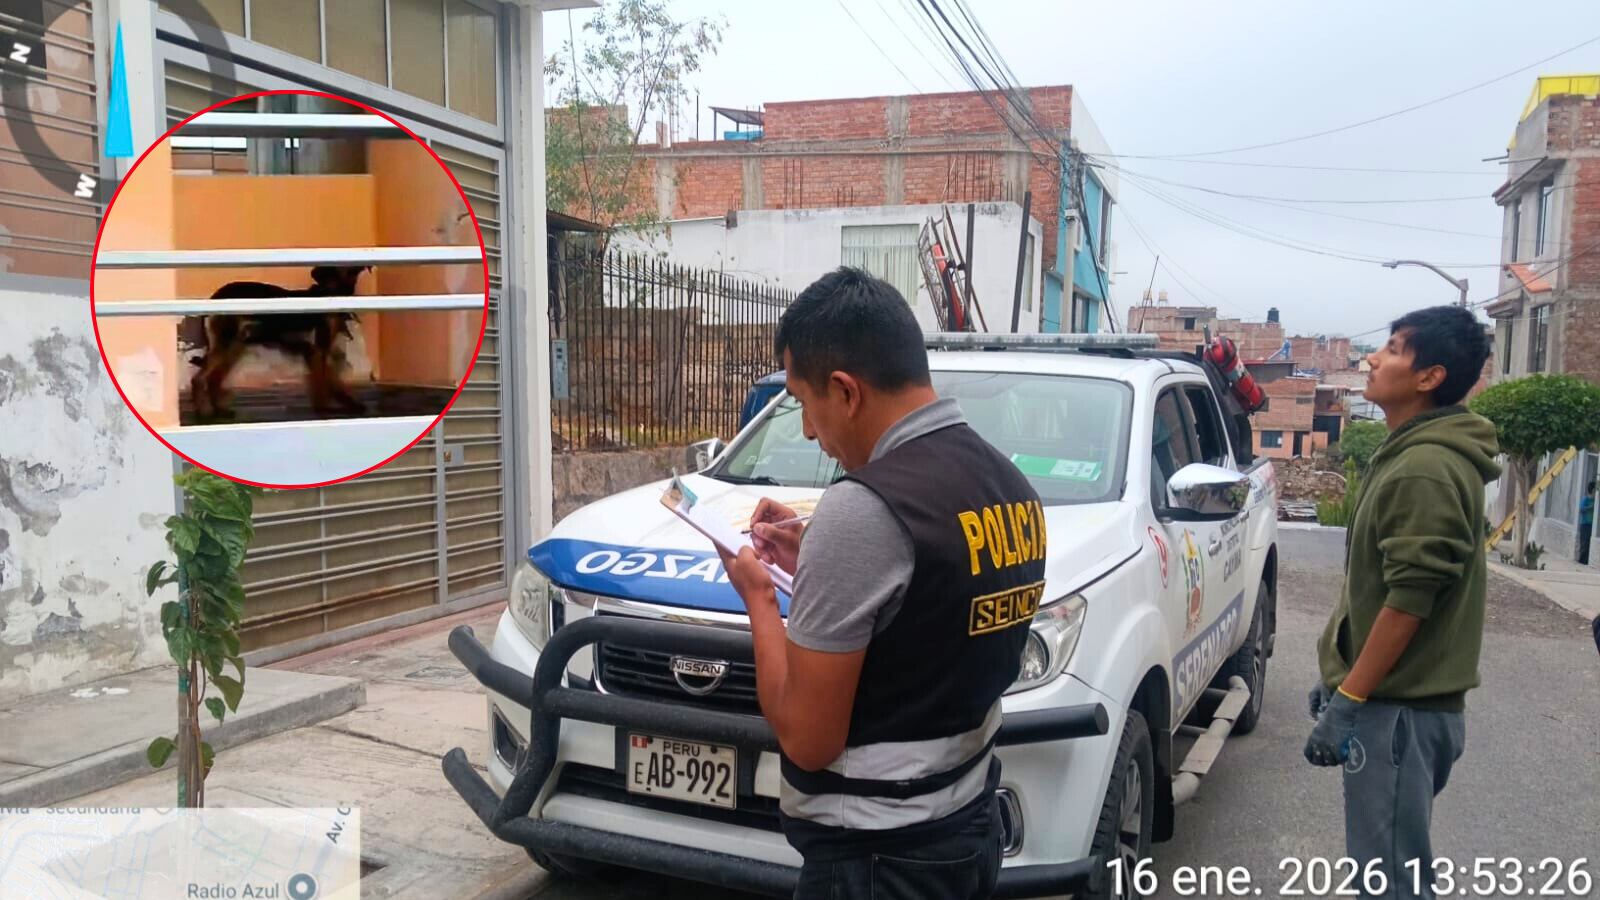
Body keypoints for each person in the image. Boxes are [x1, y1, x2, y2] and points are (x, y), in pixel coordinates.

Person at [714, 267, 1046, 900]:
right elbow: (930, 614)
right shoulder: (1009, 487)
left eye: (804, 404)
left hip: (875, 861)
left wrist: (758, 596)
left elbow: (808, 740)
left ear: (845, 392)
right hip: (967, 829)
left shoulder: (863, 511)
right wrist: (817, 555)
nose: (808, 430)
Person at [1305, 305, 1499, 899]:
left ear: (1429, 377)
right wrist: (1341, 669)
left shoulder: (1425, 468)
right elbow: (1378, 588)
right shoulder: (1412, 452)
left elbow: (1409, 602)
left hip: (1398, 714)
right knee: (1389, 869)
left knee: (1390, 881)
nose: (1372, 358)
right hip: (1394, 708)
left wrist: (1352, 696)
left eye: (1392, 349)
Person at [1578, 479, 1594, 566]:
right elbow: (1581, 509)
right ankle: (1581, 562)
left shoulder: (1595, 500)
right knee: (1584, 543)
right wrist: (1589, 507)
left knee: (1588, 544)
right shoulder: (1586, 499)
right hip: (1585, 524)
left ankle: (1586, 561)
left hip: (1591, 525)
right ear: (1592, 490)